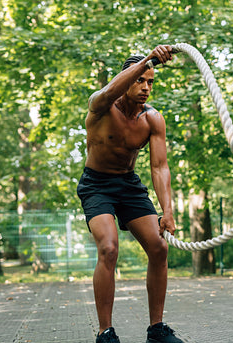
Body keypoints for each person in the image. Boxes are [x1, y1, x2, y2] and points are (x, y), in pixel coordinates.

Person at [77, 45, 183, 343]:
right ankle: (105, 332)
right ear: (126, 78)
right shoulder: (101, 106)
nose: (147, 87)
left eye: (151, 82)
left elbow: (160, 167)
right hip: (96, 185)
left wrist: (168, 210)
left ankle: (157, 330)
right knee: (109, 249)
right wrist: (148, 57)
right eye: (141, 80)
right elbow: (109, 91)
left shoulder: (152, 120)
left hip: (128, 185)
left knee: (159, 249)